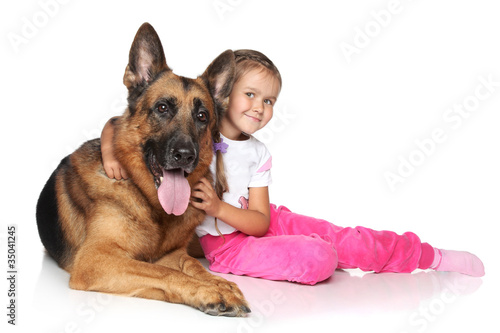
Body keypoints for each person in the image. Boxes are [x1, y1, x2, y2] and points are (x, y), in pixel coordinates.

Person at [100, 49, 485, 285]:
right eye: (249, 94)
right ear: (225, 95)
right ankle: (330, 258)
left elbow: (262, 221)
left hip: (261, 220)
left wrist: (218, 208)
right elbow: (124, 126)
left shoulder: (244, 148)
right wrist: (111, 155)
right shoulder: (204, 139)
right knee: (321, 257)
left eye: (269, 101)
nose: (259, 107)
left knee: (345, 238)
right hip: (226, 246)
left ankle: (429, 257)